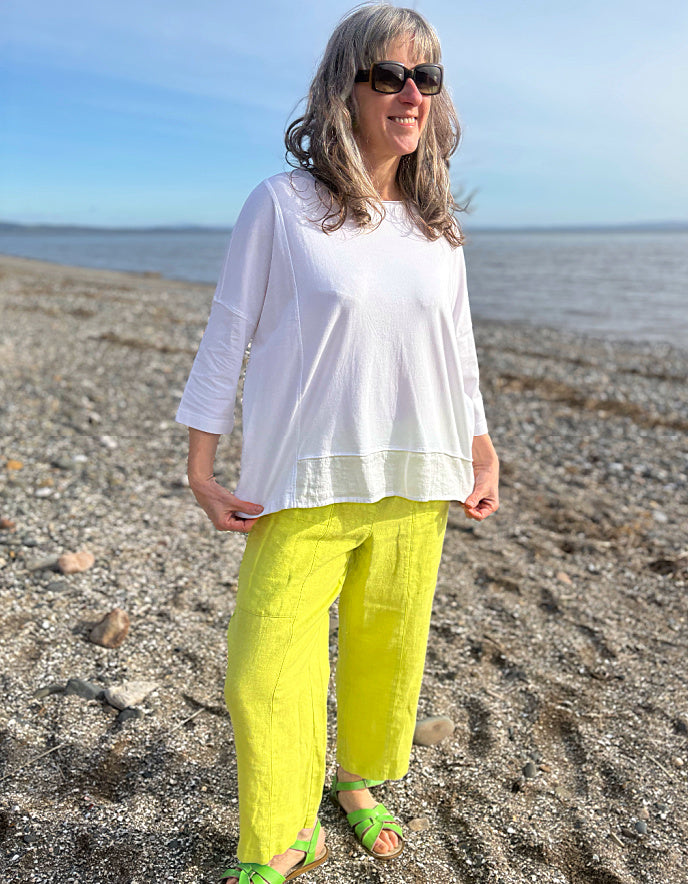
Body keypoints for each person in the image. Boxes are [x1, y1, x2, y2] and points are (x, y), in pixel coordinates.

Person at [175, 4, 499, 882]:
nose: (410, 93)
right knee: (262, 670)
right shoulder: (281, 205)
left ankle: (356, 779)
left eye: (425, 78)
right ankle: (285, 829)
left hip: (419, 474)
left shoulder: (439, 229)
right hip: (303, 478)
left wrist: (480, 443)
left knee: (386, 649)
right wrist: (200, 461)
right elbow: (228, 331)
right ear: (344, 87)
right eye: (388, 75)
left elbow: (457, 347)